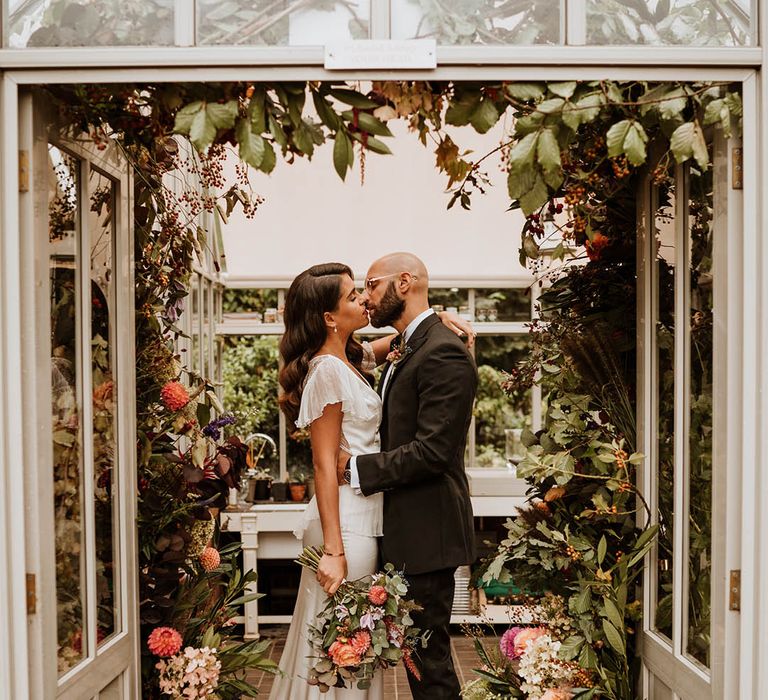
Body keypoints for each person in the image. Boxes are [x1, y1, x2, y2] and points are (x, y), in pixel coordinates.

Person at [269, 262, 474, 699]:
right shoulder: (328, 369)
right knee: (341, 647)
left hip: (371, 517)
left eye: (367, 288)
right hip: (346, 525)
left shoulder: (351, 358)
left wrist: (436, 318)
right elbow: (324, 466)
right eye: (352, 295)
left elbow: (398, 347)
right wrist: (332, 550)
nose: (363, 298)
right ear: (328, 317)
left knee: (358, 645)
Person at [339, 252, 478, 699]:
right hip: (408, 532)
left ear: (404, 282)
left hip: (428, 534)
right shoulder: (413, 345)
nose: (366, 297)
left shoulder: (443, 353)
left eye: (372, 285)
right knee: (419, 662)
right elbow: (343, 354)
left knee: (429, 664)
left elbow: (433, 452)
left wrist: (354, 468)